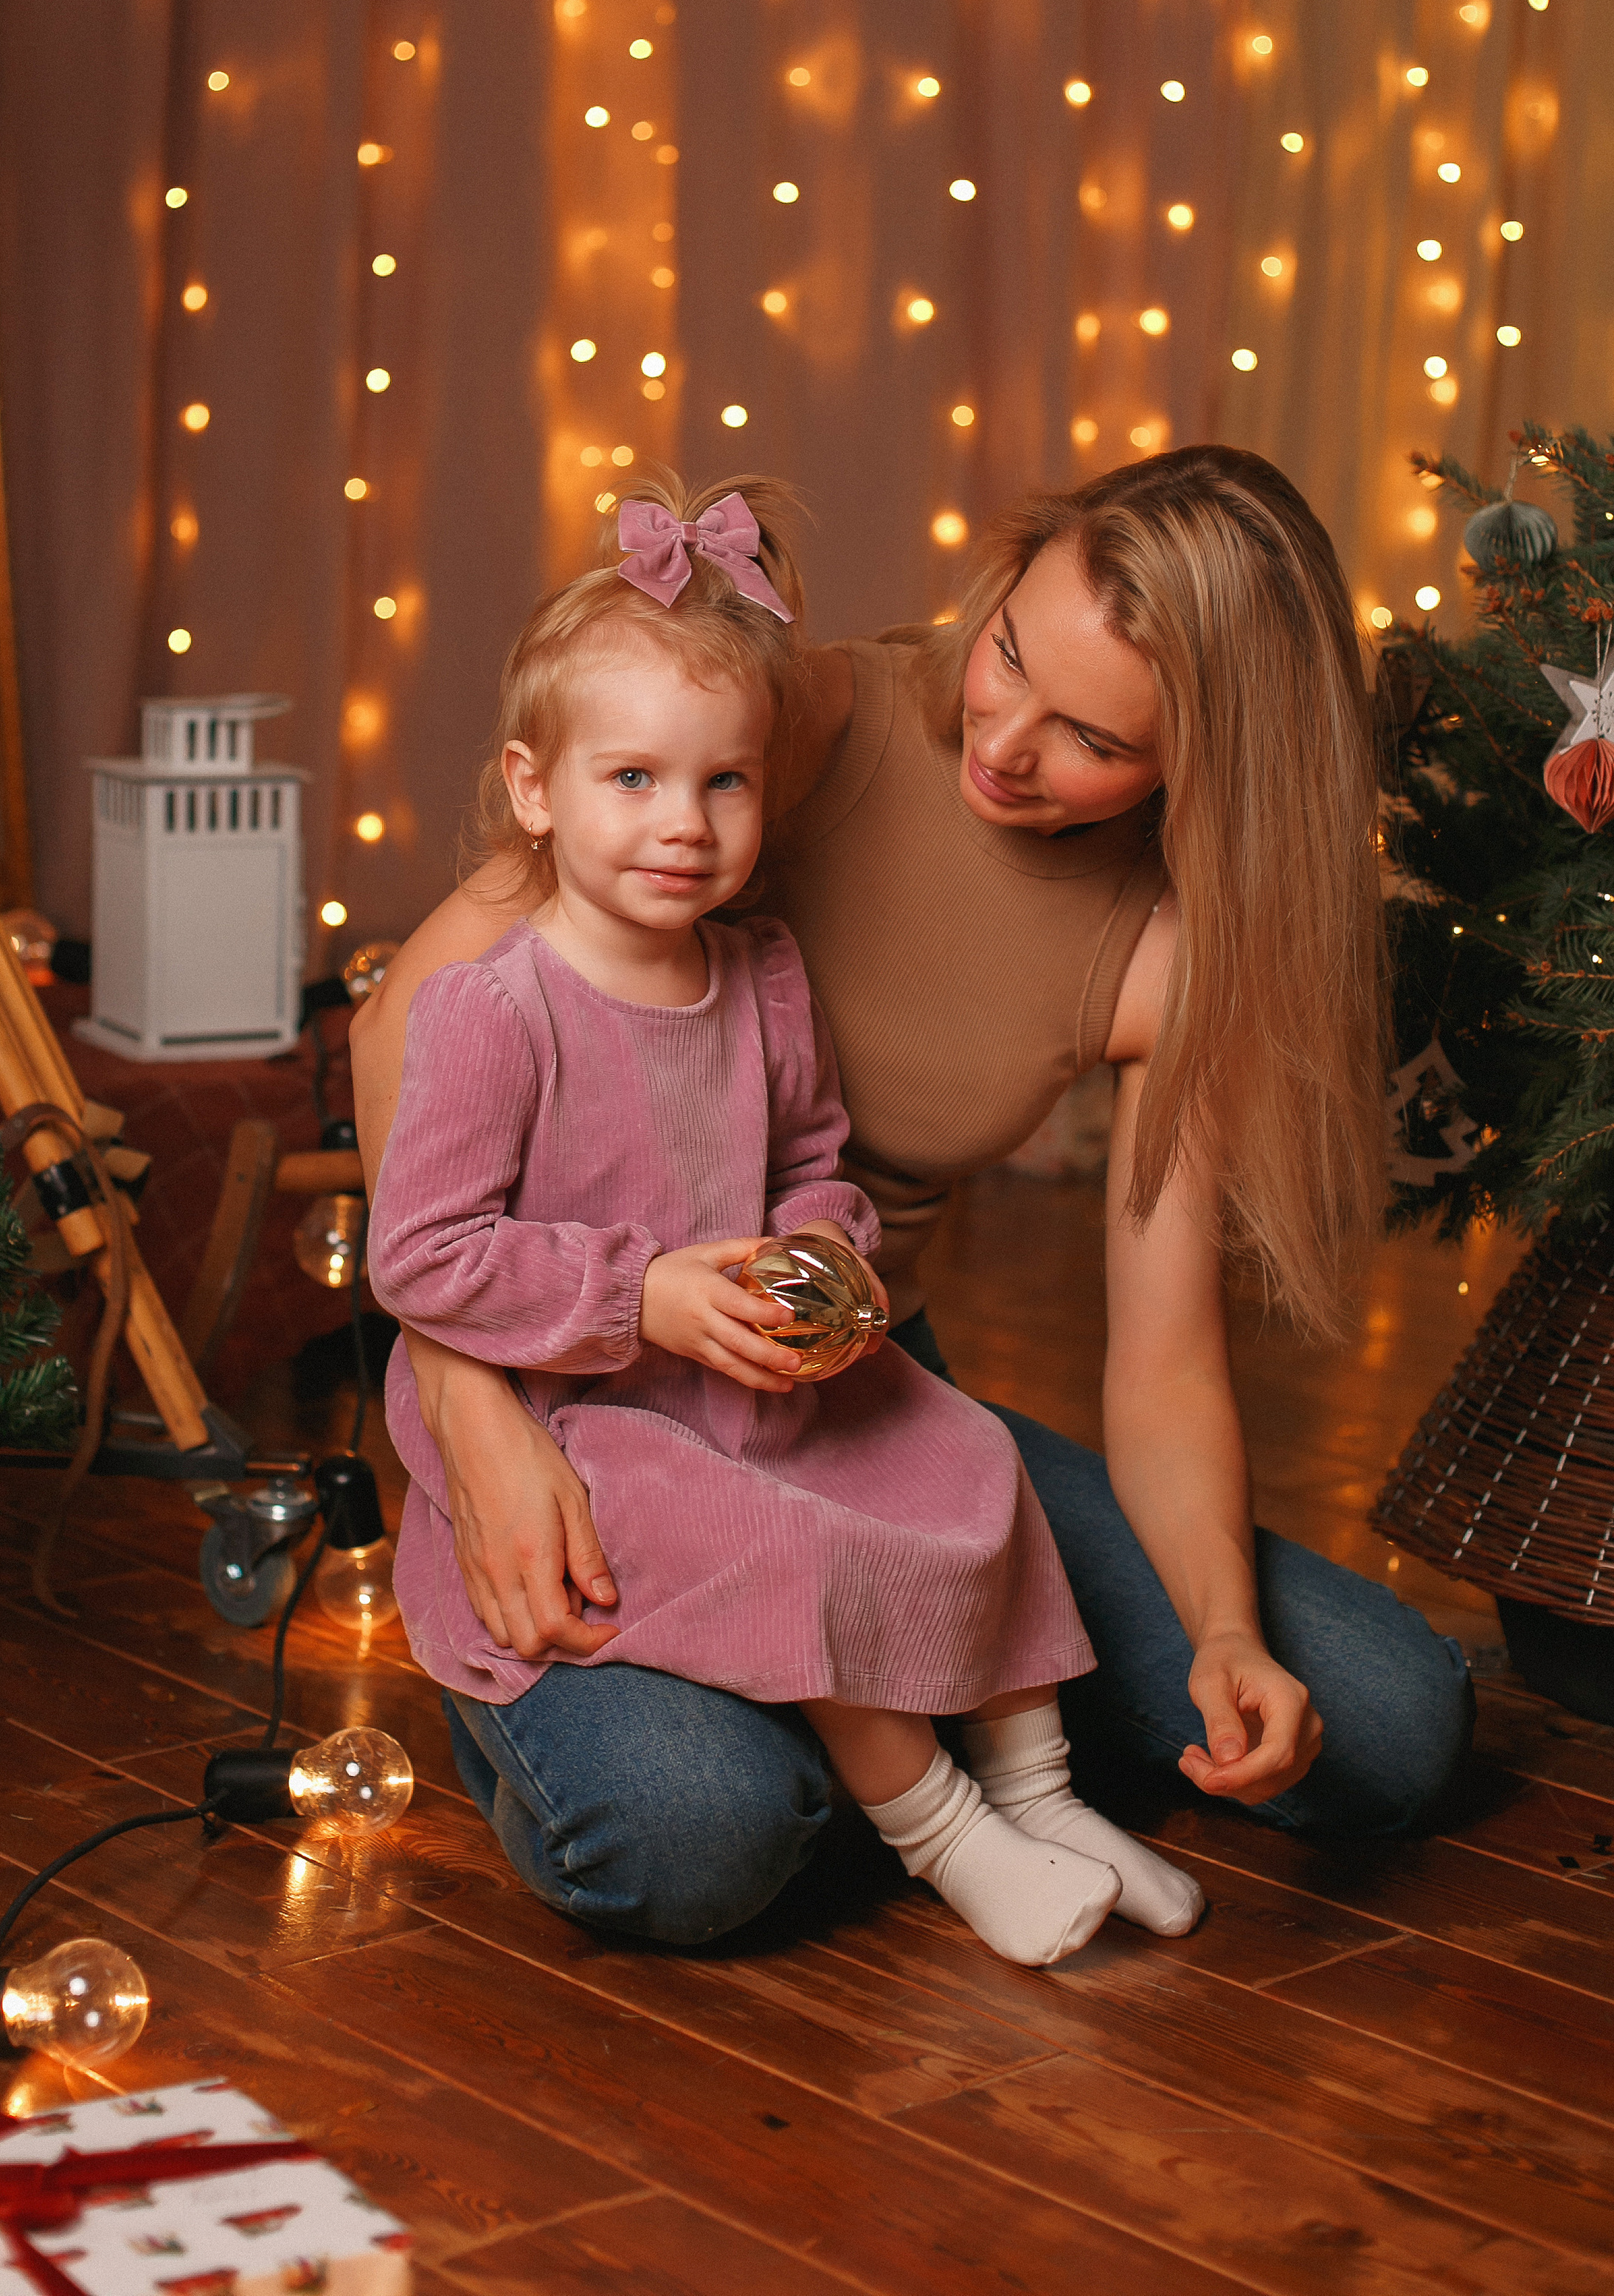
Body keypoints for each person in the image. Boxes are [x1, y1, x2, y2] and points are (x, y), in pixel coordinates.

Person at [353, 445, 1475, 1946]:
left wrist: (1219, 1631)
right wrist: (476, 1422)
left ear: (1200, 764)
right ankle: (781, 1742)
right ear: (999, 583)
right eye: (1007, 650)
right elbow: (402, 1050)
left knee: (1387, 1727)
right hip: (547, 1367)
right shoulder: (778, 718)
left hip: (830, 1377)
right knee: (692, 1835)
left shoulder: (1172, 949)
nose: (1003, 740)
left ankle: (967, 1754)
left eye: (1088, 737)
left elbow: (1159, 1359)